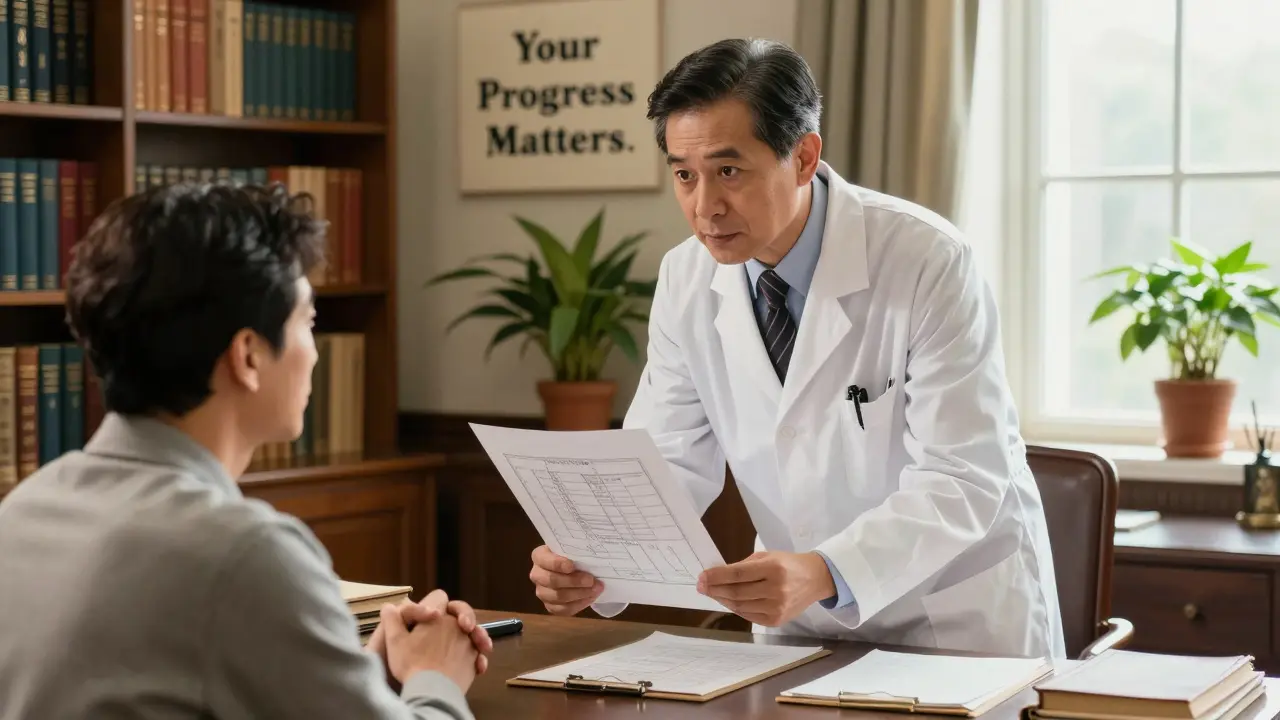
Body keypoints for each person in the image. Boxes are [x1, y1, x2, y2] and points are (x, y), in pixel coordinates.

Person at [528, 38, 1066, 659]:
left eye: (729, 171)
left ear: (804, 156)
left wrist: (825, 571)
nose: (705, 207)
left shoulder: (927, 260)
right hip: (799, 629)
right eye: (684, 175)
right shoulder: (685, 279)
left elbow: (963, 476)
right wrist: (596, 561)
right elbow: (667, 460)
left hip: (953, 621)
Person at [0, 183, 490, 719]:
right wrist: (437, 677)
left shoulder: (23, 513)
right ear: (248, 355)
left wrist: (362, 677)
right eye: (308, 321)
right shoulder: (246, 554)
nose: (314, 350)